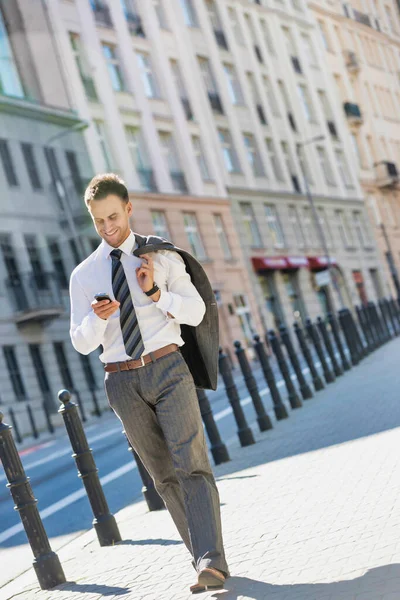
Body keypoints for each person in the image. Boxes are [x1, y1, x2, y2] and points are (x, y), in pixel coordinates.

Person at [69, 173, 229, 593]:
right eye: (99, 221)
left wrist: (157, 292)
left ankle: (210, 562)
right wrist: (96, 319)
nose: (107, 228)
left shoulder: (160, 256)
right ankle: (203, 558)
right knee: (163, 476)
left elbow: (195, 313)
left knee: (191, 461)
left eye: (114, 217)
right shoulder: (84, 275)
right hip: (121, 381)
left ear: (128, 209)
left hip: (167, 367)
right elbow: (81, 342)